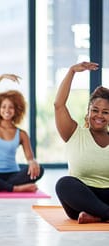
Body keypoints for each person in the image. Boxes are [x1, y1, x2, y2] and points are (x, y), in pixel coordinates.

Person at [54, 61, 109, 224]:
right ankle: (104, 213)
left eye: (106, 112)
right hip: (81, 199)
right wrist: (71, 71)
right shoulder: (73, 133)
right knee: (64, 184)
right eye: (95, 110)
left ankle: (98, 216)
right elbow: (59, 105)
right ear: (88, 111)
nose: (99, 116)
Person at [0, 74, 44, 193]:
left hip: (13, 174)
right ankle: (14, 188)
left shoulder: (21, 134)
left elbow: (30, 159)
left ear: (16, 110)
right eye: (3, 107)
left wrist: (33, 162)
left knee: (41, 169)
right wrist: (1, 77)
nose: (7, 110)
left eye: (11, 107)